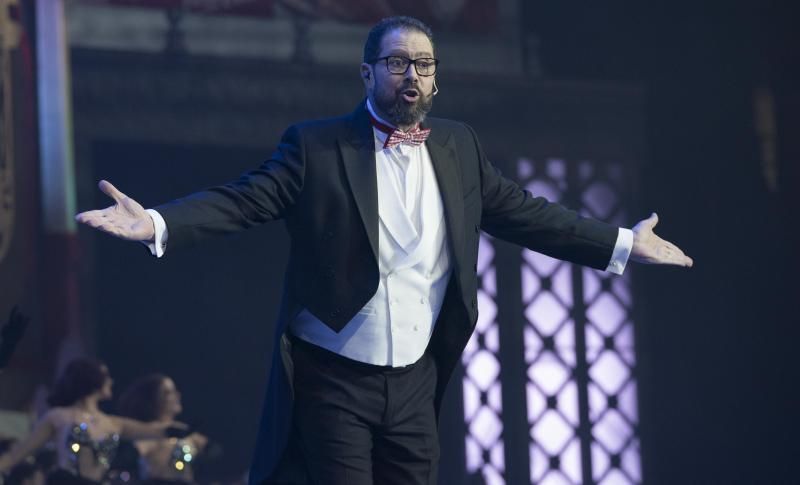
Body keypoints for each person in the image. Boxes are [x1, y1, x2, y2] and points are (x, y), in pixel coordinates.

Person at [74, 15, 692, 485]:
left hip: (416, 381)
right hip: (334, 376)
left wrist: (621, 243)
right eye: (397, 63)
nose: (412, 76)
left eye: (423, 64)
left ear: (436, 77)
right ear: (367, 73)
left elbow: (528, 215)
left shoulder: (458, 146)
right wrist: (156, 222)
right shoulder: (317, 147)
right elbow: (243, 201)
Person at [0, 359, 186, 485]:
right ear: (92, 380)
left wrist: (179, 429)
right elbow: (20, 452)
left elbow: (151, 430)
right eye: (106, 376)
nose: (111, 381)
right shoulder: (58, 417)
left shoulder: (113, 423)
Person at [117, 374, 208, 484]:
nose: (177, 395)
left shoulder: (186, 432)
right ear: (153, 399)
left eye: (175, 391)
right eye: (168, 392)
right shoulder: (145, 433)